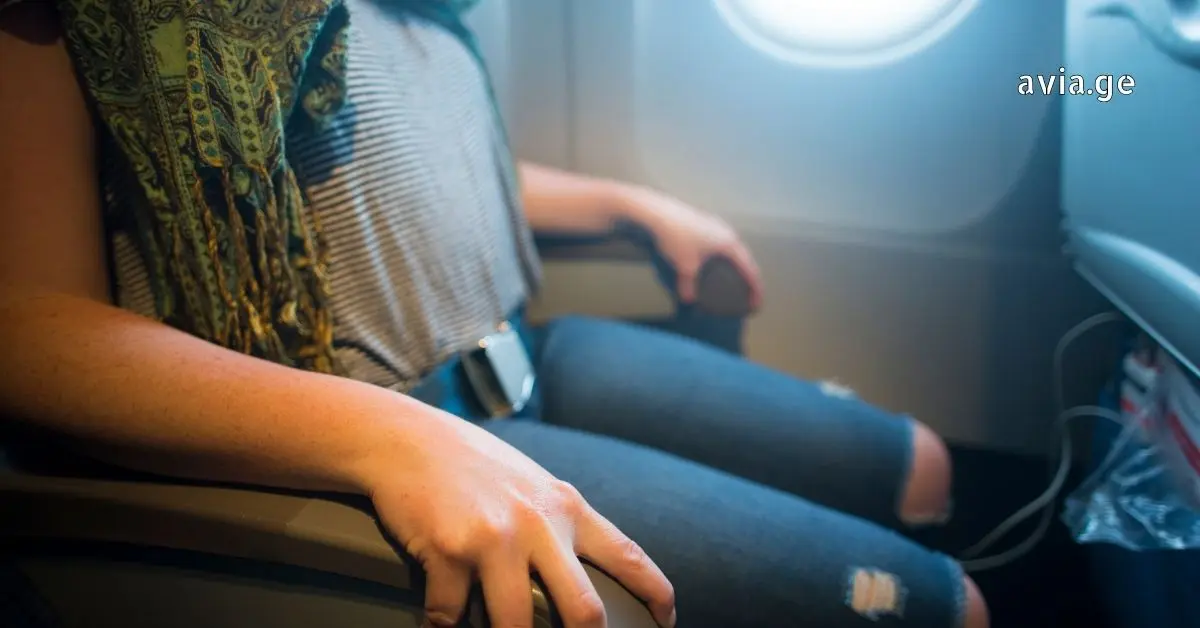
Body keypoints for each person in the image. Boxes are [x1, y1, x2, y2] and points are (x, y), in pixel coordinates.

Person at [0, 1, 989, 627]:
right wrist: (391, 436)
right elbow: (26, 323)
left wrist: (628, 205)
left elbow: (410, 170)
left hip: (518, 357)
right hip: (382, 421)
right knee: (950, 607)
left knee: (922, 463)